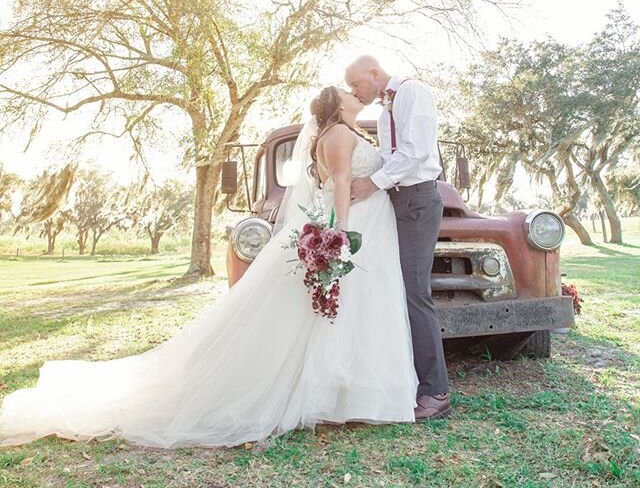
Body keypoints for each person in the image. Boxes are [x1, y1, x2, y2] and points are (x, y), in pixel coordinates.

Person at [0, 87, 418, 449]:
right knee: (334, 309)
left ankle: (343, 394)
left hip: (359, 223)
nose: (355, 95)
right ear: (335, 104)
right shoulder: (341, 133)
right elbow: (342, 181)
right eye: (348, 93)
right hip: (352, 223)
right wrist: (340, 233)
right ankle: (341, 396)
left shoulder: (333, 133)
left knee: (335, 312)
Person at [344, 55, 451, 421]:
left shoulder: (412, 93)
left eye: (356, 84)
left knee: (414, 293)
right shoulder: (386, 106)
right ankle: (403, 379)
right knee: (394, 289)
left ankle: (436, 390)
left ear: (374, 73)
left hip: (417, 200)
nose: (354, 92)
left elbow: (415, 152)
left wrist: (372, 184)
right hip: (396, 200)